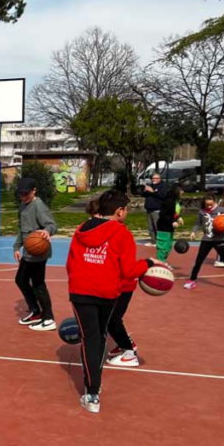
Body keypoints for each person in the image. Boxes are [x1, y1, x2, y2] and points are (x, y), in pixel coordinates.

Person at [66, 190, 157, 413]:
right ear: (119, 211)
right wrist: (147, 263)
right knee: (99, 338)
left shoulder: (82, 229)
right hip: (106, 293)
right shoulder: (122, 234)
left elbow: (70, 263)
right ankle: (93, 391)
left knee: (89, 339)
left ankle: (92, 394)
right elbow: (128, 272)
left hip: (80, 291)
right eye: (126, 209)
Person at [13, 177, 58, 331]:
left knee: (38, 284)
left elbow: (52, 224)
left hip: (39, 252)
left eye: (26, 194)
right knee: (21, 279)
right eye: (21, 194)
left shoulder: (39, 206)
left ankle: (49, 318)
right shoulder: (22, 206)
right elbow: (21, 229)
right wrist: (17, 246)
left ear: (34, 191)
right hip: (28, 252)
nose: (23, 197)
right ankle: (36, 311)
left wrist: (46, 231)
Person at [185, 195, 224, 293]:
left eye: (210, 205)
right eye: (207, 205)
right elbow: (197, 223)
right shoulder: (202, 211)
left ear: (214, 202)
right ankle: (192, 280)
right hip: (206, 239)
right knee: (198, 261)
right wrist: (193, 231)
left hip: (219, 239)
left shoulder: (222, 210)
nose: (208, 206)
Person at [155, 185, 182, 264]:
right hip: (163, 227)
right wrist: (172, 221)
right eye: (181, 190)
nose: (182, 192)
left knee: (168, 246)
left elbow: (174, 213)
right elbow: (162, 215)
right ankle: (160, 262)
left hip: (169, 227)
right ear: (176, 191)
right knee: (163, 246)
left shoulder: (175, 201)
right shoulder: (168, 201)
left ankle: (163, 261)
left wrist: (179, 218)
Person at [142, 173, 167, 246]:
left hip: (157, 210)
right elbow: (144, 195)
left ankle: (160, 242)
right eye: (153, 178)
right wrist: (144, 190)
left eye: (156, 178)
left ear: (159, 179)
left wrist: (152, 191)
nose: (154, 179)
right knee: (150, 227)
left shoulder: (163, 186)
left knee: (157, 227)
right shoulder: (150, 185)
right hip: (149, 209)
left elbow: (162, 195)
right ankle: (153, 241)